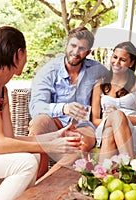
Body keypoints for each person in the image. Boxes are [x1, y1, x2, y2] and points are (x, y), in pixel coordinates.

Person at [0, 26, 82, 200]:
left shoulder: (2, 90)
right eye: (25, 53)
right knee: (26, 163)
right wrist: (49, 147)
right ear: (18, 53)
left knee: (34, 156)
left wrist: (53, 137)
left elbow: (10, 138)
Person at [29, 26, 108, 177]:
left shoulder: (97, 70)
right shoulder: (49, 71)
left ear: (88, 52)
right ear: (66, 44)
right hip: (56, 123)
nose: (76, 52)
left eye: (82, 48)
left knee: (83, 140)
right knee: (38, 122)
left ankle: (45, 181)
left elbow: (121, 80)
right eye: (73, 46)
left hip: (83, 126)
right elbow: (36, 107)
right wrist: (63, 108)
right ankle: (37, 176)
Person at [91, 41, 136, 160]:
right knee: (112, 123)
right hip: (104, 125)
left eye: (123, 60)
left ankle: (102, 175)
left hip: (133, 130)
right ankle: (130, 165)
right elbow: (94, 120)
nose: (117, 62)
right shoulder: (100, 84)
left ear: (131, 63)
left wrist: (121, 119)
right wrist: (113, 119)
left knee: (111, 130)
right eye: (115, 57)